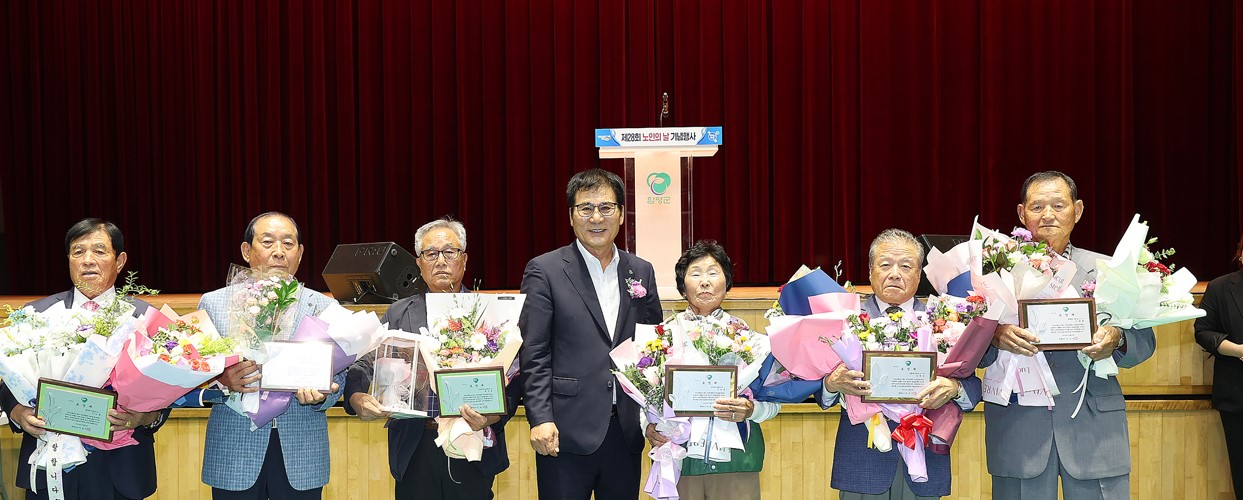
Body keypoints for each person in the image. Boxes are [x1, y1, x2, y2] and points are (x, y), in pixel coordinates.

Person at [982, 171, 1156, 499]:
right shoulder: (993, 271)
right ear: (1021, 214)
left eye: (1058, 205)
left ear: (1077, 210)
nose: (1048, 214)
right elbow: (964, 350)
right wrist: (995, 334)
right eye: (1037, 207)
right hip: (1019, 429)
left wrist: (1116, 338)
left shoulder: (1108, 270)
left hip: (1094, 428)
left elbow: (1144, 343)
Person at [343, 217, 520, 499]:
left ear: (464, 260)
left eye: (449, 252)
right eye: (431, 254)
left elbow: (515, 375)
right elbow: (366, 362)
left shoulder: (490, 313)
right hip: (415, 444)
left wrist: (495, 415)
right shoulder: (398, 313)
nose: (440, 261)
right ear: (419, 263)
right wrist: (356, 397)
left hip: (471, 440)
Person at [519, 168, 664, 500]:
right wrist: (539, 418)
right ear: (571, 216)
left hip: (626, 430)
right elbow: (534, 352)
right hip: (564, 432)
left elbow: (652, 352)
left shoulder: (641, 271)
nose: (596, 217)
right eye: (585, 208)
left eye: (606, 207)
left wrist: (656, 417)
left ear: (622, 214)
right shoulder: (546, 270)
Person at [0, 218, 167, 499]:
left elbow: (167, 385)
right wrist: (17, 412)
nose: (88, 260)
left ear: (120, 260)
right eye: (78, 252)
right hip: (49, 458)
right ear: (68, 260)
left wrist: (146, 416)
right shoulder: (35, 314)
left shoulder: (145, 319)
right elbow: (9, 376)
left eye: (100, 251)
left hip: (120, 467)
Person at [815, 228, 980, 499]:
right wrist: (831, 385)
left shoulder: (943, 321)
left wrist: (953, 387)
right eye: (885, 265)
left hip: (925, 460)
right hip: (863, 462)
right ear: (870, 271)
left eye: (905, 266)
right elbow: (816, 388)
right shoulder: (843, 320)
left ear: (919, 275)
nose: (894, 273)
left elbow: (972, 385)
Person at [198, 212, 345, 499]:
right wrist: (221, 378)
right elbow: (193, 375)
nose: (279, 252)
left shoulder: (322, 306)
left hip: (301, 450)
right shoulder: (214, 303)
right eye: (267, 242)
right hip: (234, 448)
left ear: (300, 254)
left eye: (288, 244)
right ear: (246, 251)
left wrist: (325, 393)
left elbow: (339, 376)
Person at [643, 240, 801, 500]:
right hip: (679, 460)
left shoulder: (750, 341)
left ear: (727, 283)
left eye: (713, 272)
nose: (705, 281)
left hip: (736, 462)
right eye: (695, 274)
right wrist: (647, 427)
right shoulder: (662, 339)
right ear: (682, 286)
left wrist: (752, 410)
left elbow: (773, 401)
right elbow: (643, 395)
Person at [1194, 233, 1243, 497]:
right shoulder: (1222, 287)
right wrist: (1237, 351)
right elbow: (1203, 331)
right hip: (1237, 396)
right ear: (1241, 254)